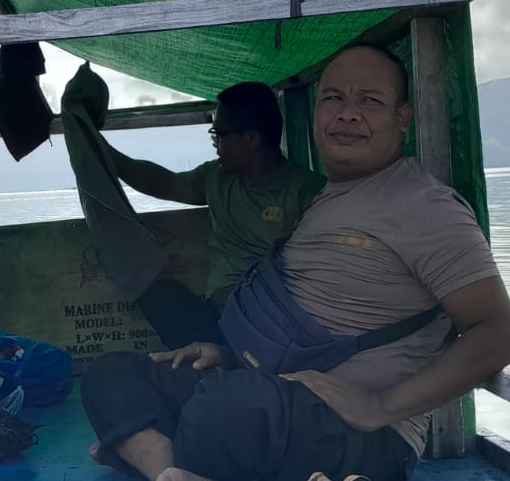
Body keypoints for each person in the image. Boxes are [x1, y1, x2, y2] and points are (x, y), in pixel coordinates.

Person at [80, 45, 510, 481]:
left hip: (364, 432)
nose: (348, 113)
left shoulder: (425, 208)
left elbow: (498, 335)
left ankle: (150, 447)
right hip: (278, 387)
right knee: (113, 373)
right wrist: (226, 354)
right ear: (315, 116)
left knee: (230, 405)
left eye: (370, 100)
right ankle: (172, 468)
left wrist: (380, 405)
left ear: (403, 118)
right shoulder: (330, 199)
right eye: (333, 98)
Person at [61, 67, 324, 349]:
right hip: (219, 315)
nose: (215, 144)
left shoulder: (307, 193)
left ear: (252, 140)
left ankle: (225, 361)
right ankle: (214, 357)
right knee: (162, 295)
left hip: (273, 319)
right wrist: (99, 148)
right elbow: (163, 182)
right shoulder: (216, 179)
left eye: (219, 134)